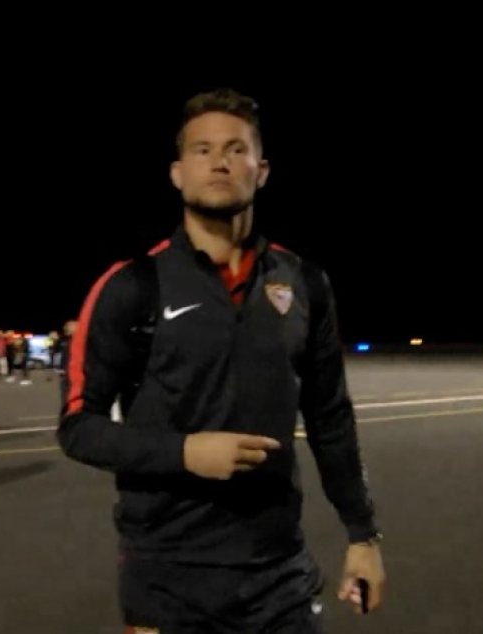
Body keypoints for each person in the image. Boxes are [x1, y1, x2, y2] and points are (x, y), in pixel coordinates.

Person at [57, 88, 386, 632]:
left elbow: (331, 421)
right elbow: (78, 428)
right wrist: (184, 452)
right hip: (167, 575)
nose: (219, 161)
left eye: (236, 149)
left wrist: (363, 535)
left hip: (279, 570)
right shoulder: (130, 287)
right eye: (202, 150)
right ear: (177, 173)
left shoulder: (305, 283)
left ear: (261, 170)